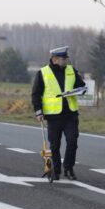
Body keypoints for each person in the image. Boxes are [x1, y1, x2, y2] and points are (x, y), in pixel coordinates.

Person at [31, 46, 86, 181]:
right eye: (63, 58)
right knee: (55, 145)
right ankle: (56, 170)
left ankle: (68, 168)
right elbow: (36, 94)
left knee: (72, 142)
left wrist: (81, 90)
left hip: (70, 115)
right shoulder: (43, 73)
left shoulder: (71, 70)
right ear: (54, 59)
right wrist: (39, 111)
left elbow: (82, 85)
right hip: (53, 116)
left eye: (66, 58)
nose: (66, 61)